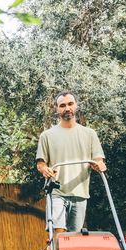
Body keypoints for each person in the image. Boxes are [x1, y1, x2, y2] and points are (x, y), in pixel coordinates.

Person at [35, 91, 107, 236]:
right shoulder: (47, 136)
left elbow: (99, 160)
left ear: (76, 106)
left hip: (80, 193)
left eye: (70, 104)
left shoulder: (89, 134)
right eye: (62, 105)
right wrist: (45, 170)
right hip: (57, 192)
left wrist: (99, 165)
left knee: (74, 237)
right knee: (58, 233)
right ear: (56, 109)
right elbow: (41, 163)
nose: (67, 108)